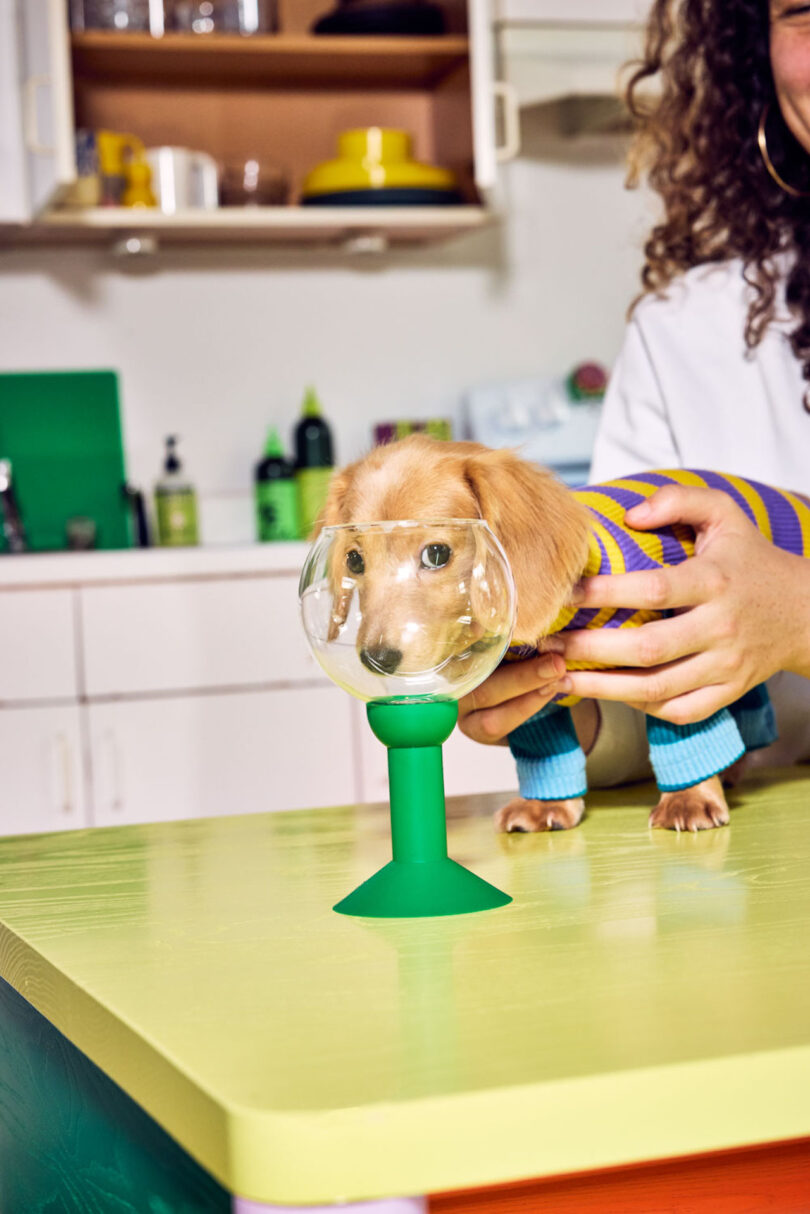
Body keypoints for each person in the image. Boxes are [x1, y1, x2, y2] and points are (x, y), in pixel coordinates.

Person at [459, 0, 810, 777]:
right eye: (805, 11)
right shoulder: (685, 330)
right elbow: (642, 731)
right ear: (757, 51)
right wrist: (555, 696)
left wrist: (799, 615)